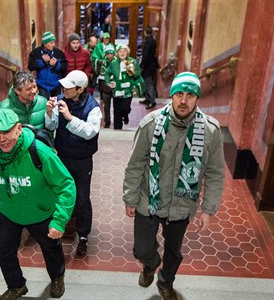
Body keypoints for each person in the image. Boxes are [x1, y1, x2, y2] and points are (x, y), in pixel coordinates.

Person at [122, 72, 225, 300]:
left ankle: (165, 282)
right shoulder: (151, 124)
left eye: (190, 95)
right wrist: (130, 197)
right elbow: (135, 164)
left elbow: (215, 173)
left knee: (174, 251)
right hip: (149, 198)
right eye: (179, 94)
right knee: (142, 249)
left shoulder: (210, 130)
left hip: (182, 203)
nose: (184, 100)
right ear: (172, 95)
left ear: (198, 99)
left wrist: (208, 210)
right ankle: (150, 264)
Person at [0, 109, 76, 300]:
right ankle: (17, 285)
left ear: (19, 129)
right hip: (10, 211)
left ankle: (57, 277)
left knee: (51, 249)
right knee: (3, 252)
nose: (2, 139)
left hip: (41, 212)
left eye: (7, 132)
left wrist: (60, 221)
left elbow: (66, 185)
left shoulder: (39, 152)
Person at [45, 70, 101, 256]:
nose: (64, 90)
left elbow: (90, 132)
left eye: (69, 87)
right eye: (64, 86)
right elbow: (52, 127)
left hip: (83, 159)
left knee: (83, 197)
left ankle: (83, 235)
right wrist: (49, 113)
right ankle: (60, 225)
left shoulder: (93, 107)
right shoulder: (61, 99)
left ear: (80, 89)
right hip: (63, 155)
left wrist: (69, 118)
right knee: (60, 192)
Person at [104, 44, 143, 130]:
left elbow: (138, 73)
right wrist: (108, 82)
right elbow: (107, 72)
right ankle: (117, 130)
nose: (122, 53)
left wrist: (133, 73)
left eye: (124, 51)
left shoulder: (132, 61)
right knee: (117, 111)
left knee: (126, 108)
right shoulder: (113, 63)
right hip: (117, 90)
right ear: (117, 53)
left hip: (128, 91)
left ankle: (125, 115)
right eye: (120, 51)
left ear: (127, 52)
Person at [28, 31, 67, 98]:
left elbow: (64, 68)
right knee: (44, 105)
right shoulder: (36, 53)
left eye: (54, 42)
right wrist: (42, 61)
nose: (54, 45)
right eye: (51, 43)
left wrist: (56, 64)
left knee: (57, 105)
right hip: (42, 86)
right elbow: (31, 67)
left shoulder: (59, 53)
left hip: (56, 85)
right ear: (45, 44)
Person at [96, 44, 116, 128]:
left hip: (115, 87)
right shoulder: (102, 63)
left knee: (116, 106)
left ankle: (117, 122)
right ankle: (107, 122)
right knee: (106, 106)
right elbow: (99, 75)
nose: (109, 56)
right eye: (108, 53)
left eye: (111, 53)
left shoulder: (117, 63)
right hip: (105, 87)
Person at [140, 26, 159, 109]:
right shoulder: (153, 40)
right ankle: (147, 99)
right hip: (152, 65)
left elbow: (145, 55)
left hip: (148, 66)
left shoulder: (148, 41)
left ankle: (152, 101)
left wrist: (141, 65)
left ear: (145, 32)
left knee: (149, 83)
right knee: (147, 83)